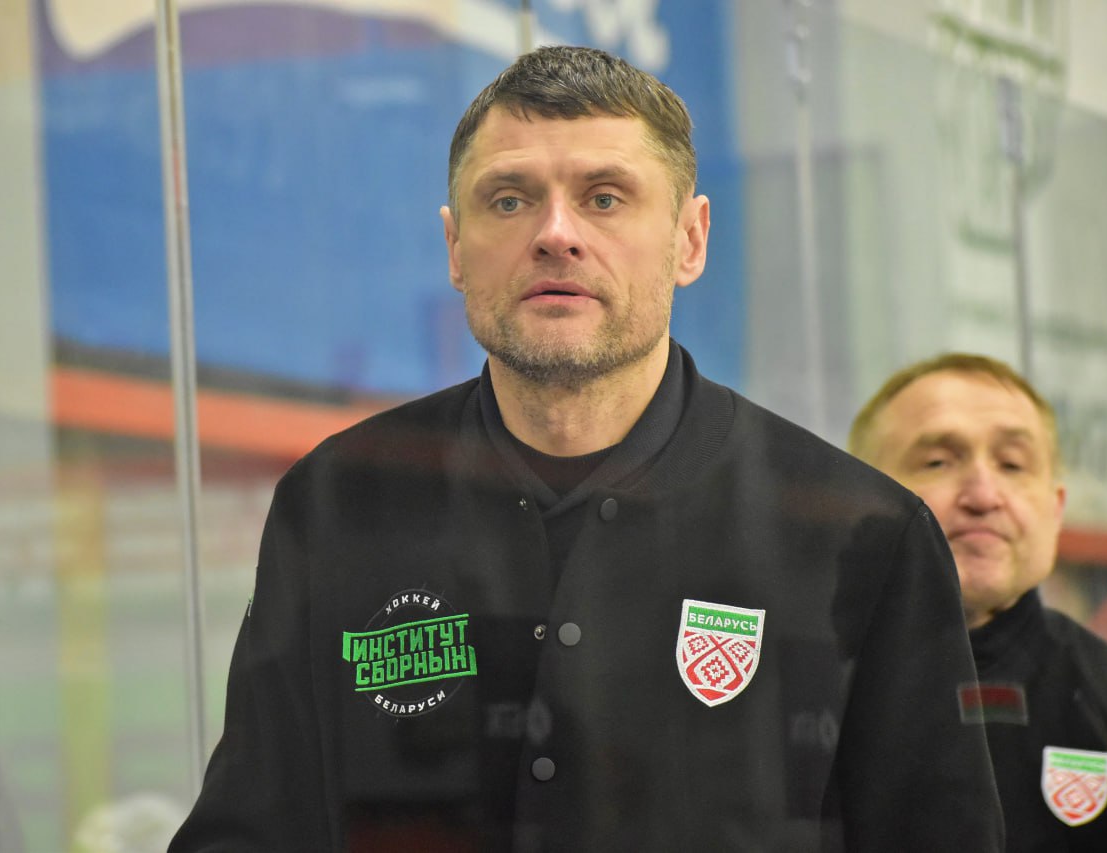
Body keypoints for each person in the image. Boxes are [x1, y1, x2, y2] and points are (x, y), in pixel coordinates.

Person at [170, 46, 1001, 852]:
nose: (556, 234)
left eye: (605, 198)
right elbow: (253, 824)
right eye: (509, 201)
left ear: (690, 240)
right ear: (455, 248)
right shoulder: (339, 502)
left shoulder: (859, 533)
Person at [849, 352, 1107, 850]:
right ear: (857, 501)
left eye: (1013, 465)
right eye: (938, 462)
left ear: (1056, 510)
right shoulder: (792, 687)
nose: (983, 495)